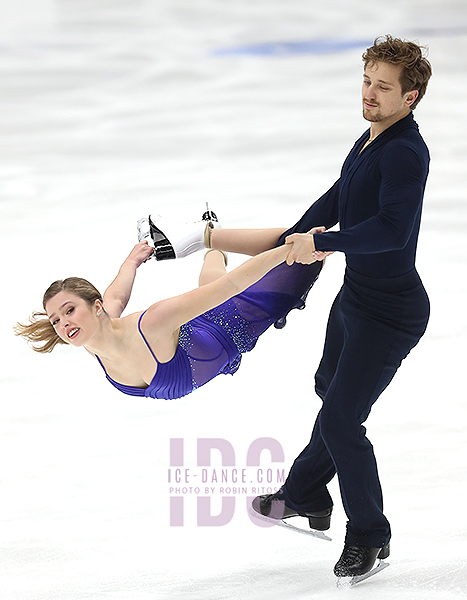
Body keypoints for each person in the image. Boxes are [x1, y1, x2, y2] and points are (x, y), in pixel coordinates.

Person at [156, 35, 432, 579]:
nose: (370, 94)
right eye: (367, 81)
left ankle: (370, 535)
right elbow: (327, 208)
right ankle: (306, 494)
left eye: (384, 87)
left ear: (412, 97)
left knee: (342, 420)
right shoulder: (371, 141)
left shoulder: (405, 152)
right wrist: (226, 240)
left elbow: (391, 231)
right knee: (331, 396)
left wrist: (322, 244)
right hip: (357, 299)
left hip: (393, 313)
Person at [15, 218, 323, 401]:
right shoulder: (94, 340)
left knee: (308, 248)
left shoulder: (151, 325)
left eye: (69, 310)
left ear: (95, 308)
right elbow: (115, 297)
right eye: (56, 319)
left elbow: (229, 288)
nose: (63, 324)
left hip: (232, 323)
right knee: (210, 284)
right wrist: (132, 262)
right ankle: (212, 243)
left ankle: (207, 236)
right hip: (204, 329)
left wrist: (289, 250)